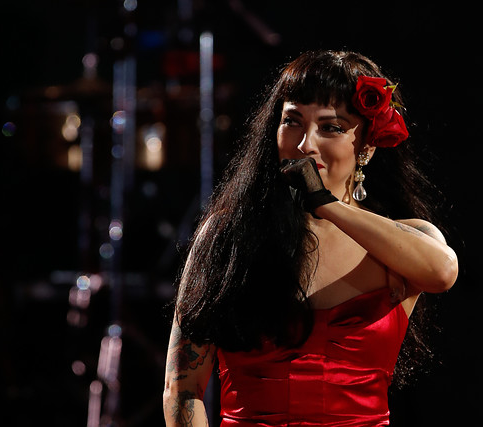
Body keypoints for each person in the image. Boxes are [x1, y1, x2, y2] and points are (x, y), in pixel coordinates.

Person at [163, 49, 458, 426]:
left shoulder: (408, 240)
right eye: (292, 121)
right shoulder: (228, 236)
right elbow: (182, 389)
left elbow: (442, 272)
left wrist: (327, 205)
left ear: (367, 145)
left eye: (331, 127)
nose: (305, 144)